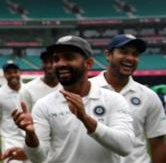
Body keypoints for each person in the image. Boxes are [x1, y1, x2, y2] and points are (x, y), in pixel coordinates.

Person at [10, 35, 134, 163]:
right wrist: (31, 136)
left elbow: (125, 146)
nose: (61, 64)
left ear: (88, 63)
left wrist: (85, 119)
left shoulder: (113, 99)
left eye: (68, 57)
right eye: (56, 59)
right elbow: (39, 158)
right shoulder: (44, 105)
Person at [90, 34, 166, 163]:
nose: (130, 58)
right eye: (123, 52)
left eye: (135, 54)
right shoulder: (88, 89)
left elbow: (157, 141)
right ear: (108, 55)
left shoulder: (148, 96)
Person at [0, 60, 27, 162]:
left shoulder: (29, 90)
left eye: (15, 72)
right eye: (9, 73)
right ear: (4, 75)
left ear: (20, 73)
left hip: (30, 140)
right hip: (10, 141)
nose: (12, 75)